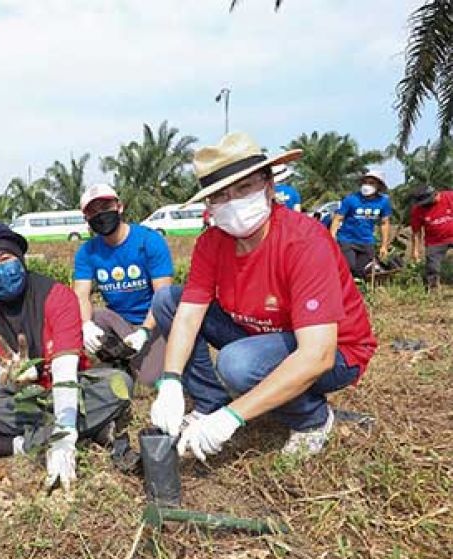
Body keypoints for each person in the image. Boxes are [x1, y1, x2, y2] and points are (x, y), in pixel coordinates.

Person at [149, 132, 377, 462]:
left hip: (337, 350)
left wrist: (232, 419)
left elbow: (319, 355)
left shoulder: (302, 241)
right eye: (220, 196)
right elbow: (187, 314)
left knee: (237, 364)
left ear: (269, 186)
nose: (234, 203)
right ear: (209, 205)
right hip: (262, 336)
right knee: (169, 300)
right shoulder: (212, 243)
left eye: (244, 188)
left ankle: (312, 419)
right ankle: (210, 402)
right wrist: (170, 381)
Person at [0, 222, 135, 490]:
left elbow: (65, 369)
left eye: (5, 259)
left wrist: (64, 436)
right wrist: (14, 380)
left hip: (71, 386)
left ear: (20, 258)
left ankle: (11, 444)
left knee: (119, 385)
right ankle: (93, 428)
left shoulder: (55, 294)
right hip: (25, 398)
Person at [72, 184, 173, 387]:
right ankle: (118, 359)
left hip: (154, 322)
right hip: (118, 321)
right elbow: (81, 294)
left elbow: (162, 294)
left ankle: (141, 357)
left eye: (105, 206)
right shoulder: (88, 252)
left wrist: (145, 331)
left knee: (149, 380)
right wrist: (86, 325)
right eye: (93, 211)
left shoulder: (149, 241)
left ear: (119, 207)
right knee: (95, 317)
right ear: (87, 220)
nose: (100, 214)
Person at [330, 171, 392, 279]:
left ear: (379, 186)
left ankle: (361, 292)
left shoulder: (383, 202)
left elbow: (384, 223)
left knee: (363, 270)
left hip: (367, 241)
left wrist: (384, 246)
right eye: (365, 182)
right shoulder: (351, 199)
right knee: (349, 266)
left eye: (371, 183)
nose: (367, 185)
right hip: (347, 240)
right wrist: (332, 237)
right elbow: (337, 218)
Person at [409, 185, 453, 289]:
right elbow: (416, 232)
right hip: (435, 241)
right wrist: (415, 250)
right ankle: (433, 288)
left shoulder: (449, 197)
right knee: (432, 266)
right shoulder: (418, 210)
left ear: (436, 194)